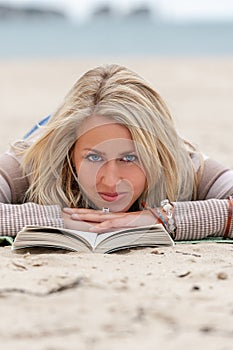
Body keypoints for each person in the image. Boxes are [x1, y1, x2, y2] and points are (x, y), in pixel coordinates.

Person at [0, 64, 233, 241]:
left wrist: (162, 219)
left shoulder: (184, 163)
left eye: (129, 158)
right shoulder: (32, 161)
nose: (111, 180)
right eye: (93, 157)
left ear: (156, 155)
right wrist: (62, 222)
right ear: (70, 154)